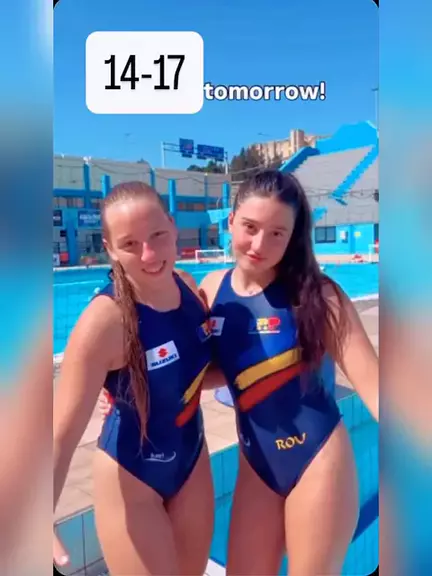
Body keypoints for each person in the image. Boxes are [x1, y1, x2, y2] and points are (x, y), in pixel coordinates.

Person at [99, 170, 379, 575]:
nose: (260, 244)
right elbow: (205, 368)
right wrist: (124, 388)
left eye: (277, 233)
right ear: (230, 222)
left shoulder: (319, 296)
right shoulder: (211, 291)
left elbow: (375, 386)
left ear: (293, 236)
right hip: (257, 466)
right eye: (250, 227)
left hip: (319, 460)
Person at [53, 181, 214, 576]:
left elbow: (192, 376)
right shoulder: (106, 322)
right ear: (110, 249)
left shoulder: (188, 288)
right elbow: (61, 432)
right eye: (130, 244)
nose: (149, 254)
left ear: (173, 226)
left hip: (192, 462)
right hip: (132, 476)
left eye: (157, 235)